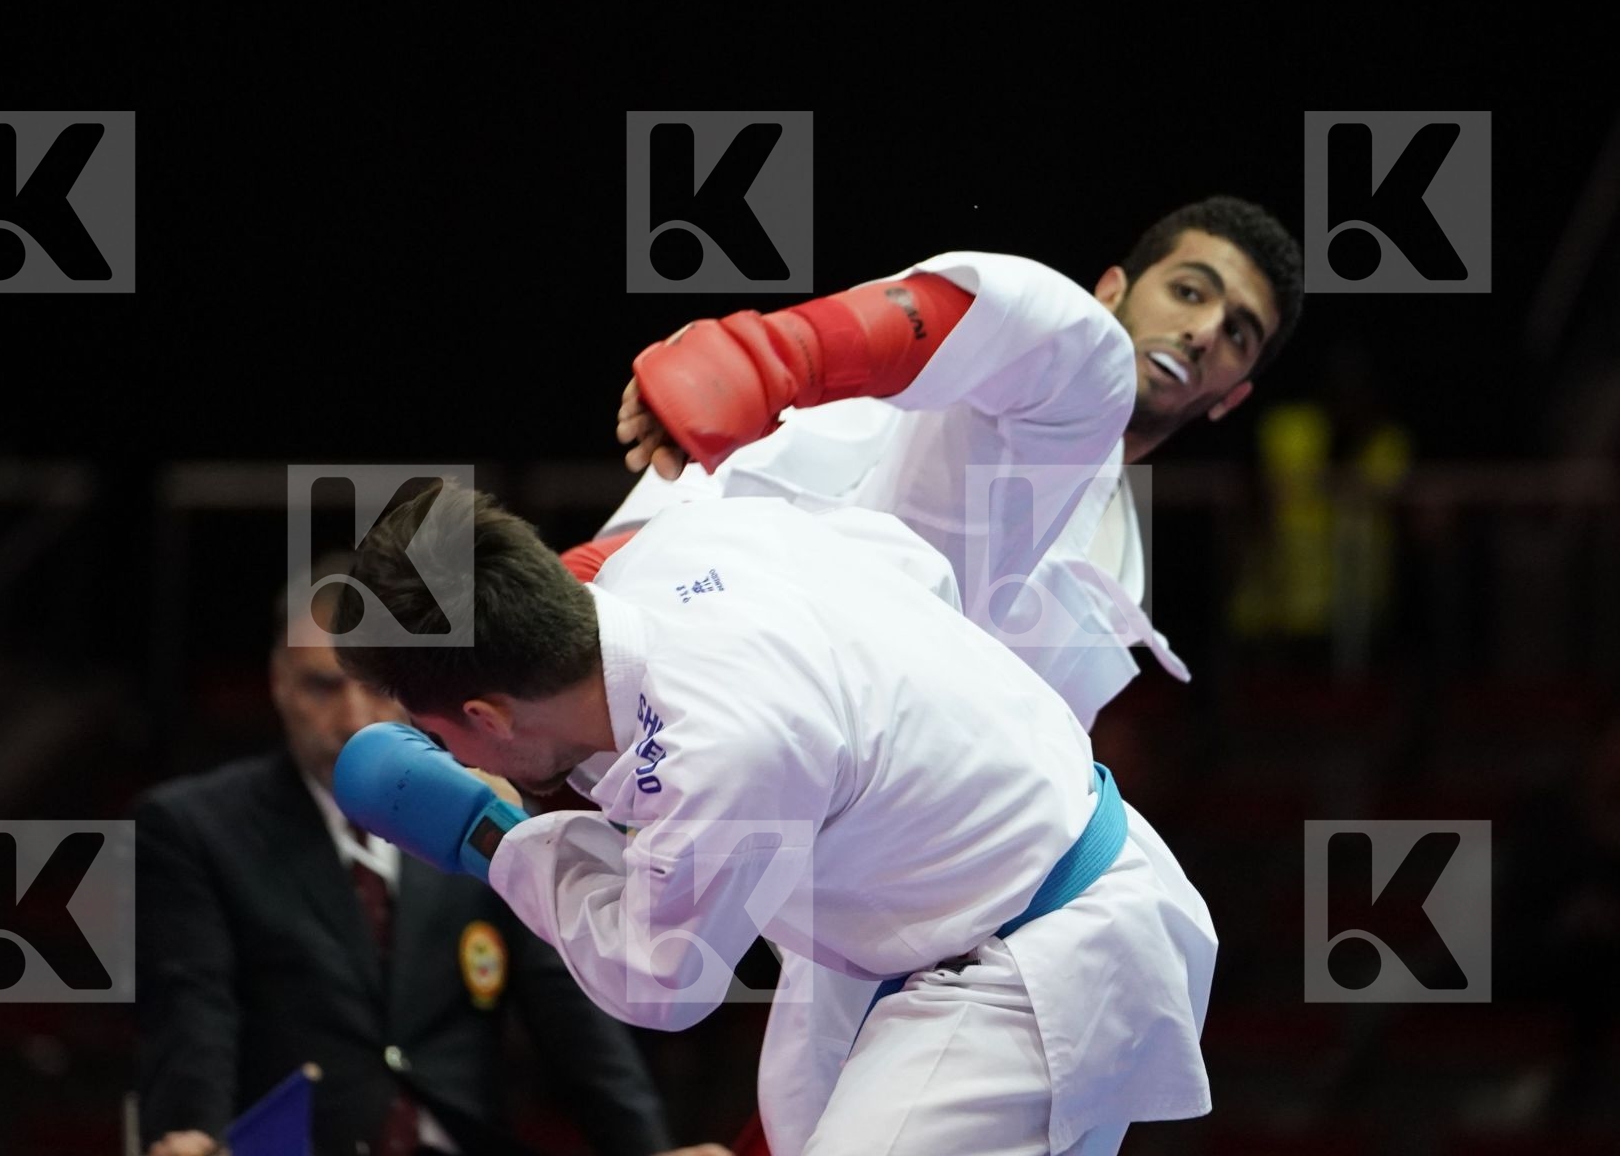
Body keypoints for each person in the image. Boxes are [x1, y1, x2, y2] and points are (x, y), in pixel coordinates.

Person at [330, 482, 1219, 1156]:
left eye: (443, 738)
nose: (460, 760)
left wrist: (491, 835)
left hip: (1036, 961)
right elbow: (917, 565)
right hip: (906, 919)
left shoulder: (726, 749)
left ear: (486, 716)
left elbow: (663, 984)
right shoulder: (698, 531)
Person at [592, 195, 1304, 729]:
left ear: (1232, 398)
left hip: (762, 769)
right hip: (662, 619)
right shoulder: (1048, 349)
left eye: (1238, 332)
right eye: (1188, 290)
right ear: (1113, 288)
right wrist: (766, 363)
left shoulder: (1119, 579)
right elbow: (1015, 324)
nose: (1204, 330)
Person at [135, 557, 682, 1156]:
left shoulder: (477, 803)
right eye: (323, 684)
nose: (352, 718)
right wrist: (193, 1134)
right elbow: (193, 1010)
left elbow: (568, 1010)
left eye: (374, 686)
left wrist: (648, 1149)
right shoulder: (196, 828)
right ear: (279, 681)